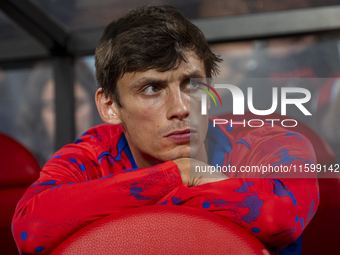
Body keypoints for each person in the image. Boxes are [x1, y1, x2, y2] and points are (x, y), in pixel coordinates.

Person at [12, 5, 319, 254]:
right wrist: (178, 174)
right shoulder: (92, 155)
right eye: (151, 89)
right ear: (109, 106)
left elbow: (277, 215)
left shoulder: (270, 144)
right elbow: (31, 228)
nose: (181, 108)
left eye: (192, 84)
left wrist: (153, 189)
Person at [16, 61, 102, 166]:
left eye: (78, 104)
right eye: (54, 107)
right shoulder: (25, 166)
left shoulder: (115, 162)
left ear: (96, 106)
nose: (68, 118)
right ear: (38, 115)